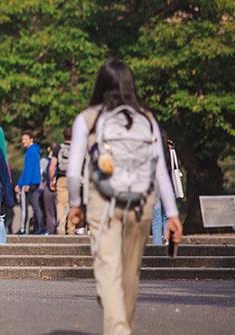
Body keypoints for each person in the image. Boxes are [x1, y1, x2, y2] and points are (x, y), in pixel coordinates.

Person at [67, 59, 182, 335]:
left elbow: (73, 171)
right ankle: (120, 326)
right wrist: (173, 213)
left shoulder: (88, 118)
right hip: (142, 203)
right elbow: (160, 172)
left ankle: (118, 330)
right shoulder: (147, 119)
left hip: (103, 203)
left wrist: (75, 205)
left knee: (108, 270)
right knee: (130, 274)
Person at [152, 139, 182, 245]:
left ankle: (156, 246)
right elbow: (177, 166)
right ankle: (167, 241)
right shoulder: (171, 154)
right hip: (169, 189)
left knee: (156, 219)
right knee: (166, 217)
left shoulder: (152, 153)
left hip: (155, 189)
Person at [15, 132, 43, 234]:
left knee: (24, 206)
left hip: (29, 182)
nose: (23, 141)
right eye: (22, 139)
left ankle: (22, 229)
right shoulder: (36, 150)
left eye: (25, 139)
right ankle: (41, 228)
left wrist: (24, 183)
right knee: (36, 206)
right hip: (35, 182)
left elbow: (28, 169)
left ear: (31, 140)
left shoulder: (30, 151)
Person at [50, 128, 73, 234]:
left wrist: (51, 179)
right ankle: (71, 228)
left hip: (61, 178)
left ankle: (61, 226)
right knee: (72, 203)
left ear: (63, 136)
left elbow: (52, 165)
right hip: (74, 179)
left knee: (60, 203)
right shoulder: (77, 148)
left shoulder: (58, 148)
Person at [40, 144, 58, 235]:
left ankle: (50, 229)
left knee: (48, 210)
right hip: (60, 186)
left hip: (48, 186)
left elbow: (41, 173)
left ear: (48, 149)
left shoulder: (44, 160)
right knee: (59, 209)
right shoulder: (63, 159)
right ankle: (60, 228)